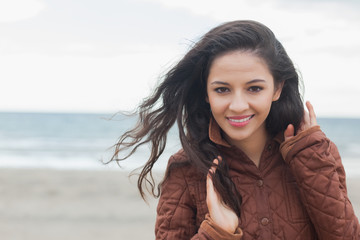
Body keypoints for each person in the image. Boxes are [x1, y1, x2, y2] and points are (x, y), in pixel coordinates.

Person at [111, 20, 360, 239]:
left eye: (254, 88)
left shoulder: (315, 153)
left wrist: (310, 158)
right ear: (206, 94)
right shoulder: (185, 170)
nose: (238, 106)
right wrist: (216, 233)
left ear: (277, 89)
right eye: (222, 89)